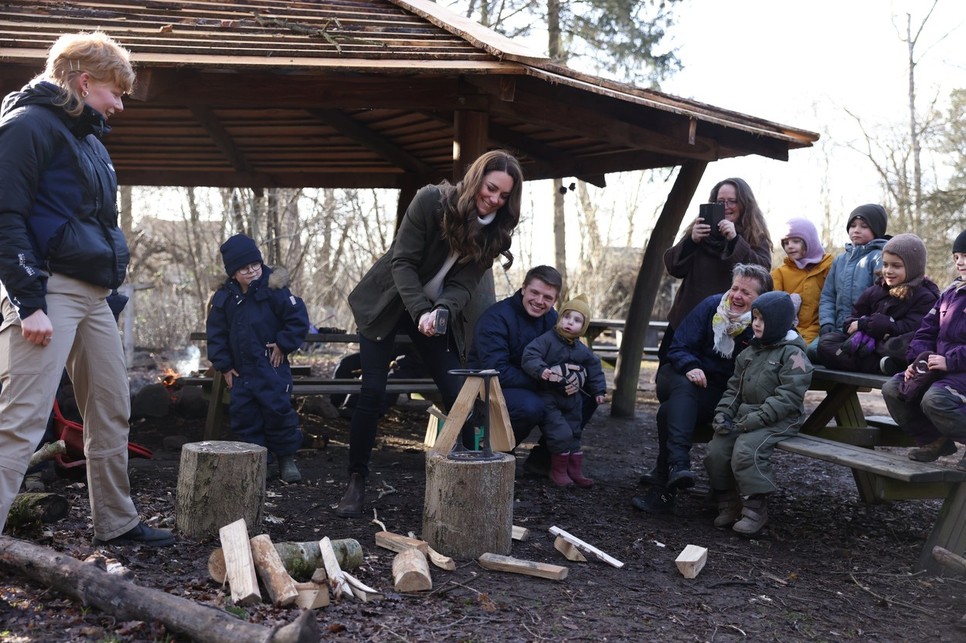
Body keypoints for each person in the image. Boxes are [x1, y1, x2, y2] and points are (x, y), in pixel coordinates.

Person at [0, 32, 174, 545]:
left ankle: (116, 522)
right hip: (46, 291)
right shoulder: (27, 126)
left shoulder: (88, 140)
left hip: (93, 297)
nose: (119, 104)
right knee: (21, 421)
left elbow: (91, 223)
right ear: (83, 81)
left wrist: (108, 291)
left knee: (112, 406)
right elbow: (5, 216)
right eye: (114, 92)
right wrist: (28, 302)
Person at [335, 150, 524, 518]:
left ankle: (482, 481)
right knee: (373, 390)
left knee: (459, 391)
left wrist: (441, 311)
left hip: (435, 314)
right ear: (475, 180)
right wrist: (420, 308)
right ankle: (355, 481)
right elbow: (401, 262)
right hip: (390, 302)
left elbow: (465, 283)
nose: (495, 199)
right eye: (491, 189)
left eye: (504, 196)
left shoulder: (495, 231)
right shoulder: (429, 201)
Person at [632, 263, 772, 514]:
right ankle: (678, 463)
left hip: (720, 394)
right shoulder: (711, 306)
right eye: (735, 288)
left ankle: (666, 488)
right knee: (683, 386)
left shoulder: (762, 325)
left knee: (667, 413)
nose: (737, 296)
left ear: (761, 299)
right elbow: (678, 346)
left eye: (746, 293)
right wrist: (691, 366)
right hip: (682, 377)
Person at [704, 291, 813, 535]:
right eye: (754, 318)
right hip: (746, 416)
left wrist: (756, 419)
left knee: (746, 450)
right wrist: (724, 413)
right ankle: (729, 503)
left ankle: (755, 509)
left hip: (780, 418)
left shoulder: (794, 354)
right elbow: (734, 389)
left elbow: (789, 396)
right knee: (717, 450)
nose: (756, 324)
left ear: (778, 321)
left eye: (762, 319)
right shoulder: (749, 353)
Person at [206, 234, 310, 483]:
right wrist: (225, 366)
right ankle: (257, 463)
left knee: (278, 411)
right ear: (233, 273)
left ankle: (286, 458)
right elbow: (216, 334)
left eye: (255, 265)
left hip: (270, 367)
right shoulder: (225, 299)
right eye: (244, 268)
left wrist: (283, 344)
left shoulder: (275, 290)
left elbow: (297, 319)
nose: (252, 271)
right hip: (241, 372)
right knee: (245, 416)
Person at [471, 265, 592, 476]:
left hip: (538, 382)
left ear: (555, 300)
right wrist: (549, 380)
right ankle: (497, 457)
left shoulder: (553, 320)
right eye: (534, 292)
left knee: (586, 392)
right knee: (531, 406)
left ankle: (544, 459)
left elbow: (573, 355)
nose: (539, 301)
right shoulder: (497, 318)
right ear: (523, 288)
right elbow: (496, 370)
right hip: (489, 384)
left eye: (547, 297)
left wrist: (575, 377)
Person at [659, 178, 772, 363]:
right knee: (671, 373)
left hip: (728, 326)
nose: (726, 206)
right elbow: (673, 267)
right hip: (687, 318)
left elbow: (762, 272)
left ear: (744, 204)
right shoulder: (700, 230)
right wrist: (691, 241)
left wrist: (735, 240)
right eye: (720, 201)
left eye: (732, 201)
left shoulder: (755, 236)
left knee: (712, 380)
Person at [881, 230, 966, 468]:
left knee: (935, 399)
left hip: (959, 370)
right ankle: (935, 440)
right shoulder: (950, 293)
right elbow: (926, 330)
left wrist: (949, 361)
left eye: (965, 256)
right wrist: (916, 361)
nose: (960, 262)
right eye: (956, 256)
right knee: (893, 388)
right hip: (939, 367)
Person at [817, 233, 939, 375]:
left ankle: (880, 363)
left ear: (913, 267)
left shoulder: (924, 296)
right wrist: (858, 326)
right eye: (885, 264)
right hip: (867, 346)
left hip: (892, 344)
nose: (888, 271)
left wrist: (881, 324)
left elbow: (914, 328)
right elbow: (852, 318)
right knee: (826, 344)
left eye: (896, 266)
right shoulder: (876, 290)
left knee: (904, 345)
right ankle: (880, 365)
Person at [520, 294, 607, 487]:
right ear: (559, 318)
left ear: (583, 327)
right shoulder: (547, 340)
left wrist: (598, 390)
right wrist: (542, 370)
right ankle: (557, 470)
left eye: (577, 321)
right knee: (560, 433)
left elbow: (594, 367)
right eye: (566, 317)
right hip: (549, 396)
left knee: (575, 432)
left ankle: (574, 470)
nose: (569, 323)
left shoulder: (581, 348)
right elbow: (530, 355)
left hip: (572, 398)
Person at [809, 204, 889, 361]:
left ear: (876, 229)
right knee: (812, 351)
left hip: (863, 331)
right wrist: (826, 323)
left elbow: (882, 300)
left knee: (843, 355)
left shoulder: (880, 257)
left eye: (864, 226)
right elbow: (828, 296)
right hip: (838, 329)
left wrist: (866, 326)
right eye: (852, 226)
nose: (856, 230)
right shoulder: (840, 260)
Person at [771, 217, 833, 344]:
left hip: (821, 330)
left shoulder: (829, 266)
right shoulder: (780, 273)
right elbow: (774, 306)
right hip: (790, 332)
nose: (790, 246)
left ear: (810, 240)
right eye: (786, 243)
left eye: (796, 241)